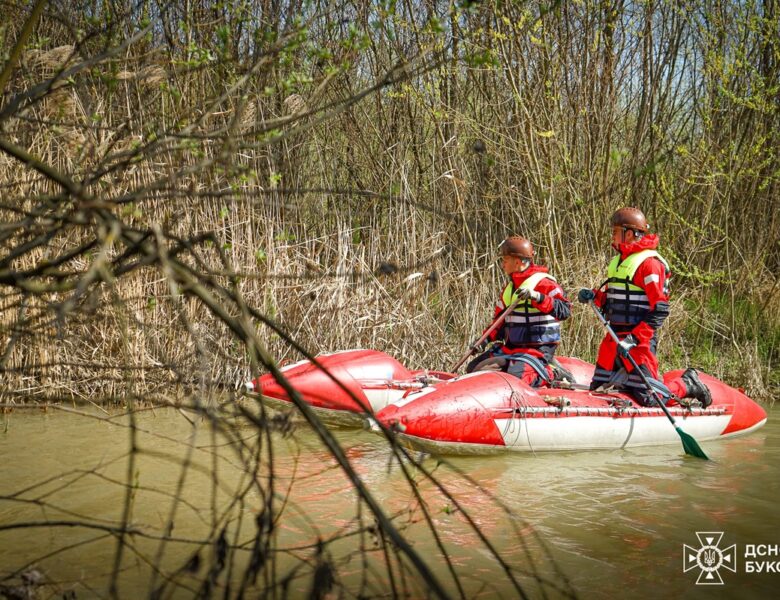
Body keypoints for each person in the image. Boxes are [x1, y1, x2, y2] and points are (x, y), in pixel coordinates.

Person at [577, 207, 712, 407]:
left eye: (615, 232)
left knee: (651, 398)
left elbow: (659, 309)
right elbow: (617, 302)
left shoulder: (649, 264)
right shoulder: (618, 262)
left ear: (629, 234)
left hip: (638, 343)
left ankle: (688, 384)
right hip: (613, 341)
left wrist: (634, 339)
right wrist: (596, 297)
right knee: (597, 388)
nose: (611, 237)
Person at [466, 236, 571, 387]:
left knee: (518, 378)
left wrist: (538, 297)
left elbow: (565, 310)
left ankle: (553, 372)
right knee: (473, 369)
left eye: (505, 260)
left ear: (517, 261)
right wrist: (483, 341)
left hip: (537, 350)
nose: (503, 265)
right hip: (511, 349)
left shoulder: (544, 283)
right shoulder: (509, 289)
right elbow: (499, 323)